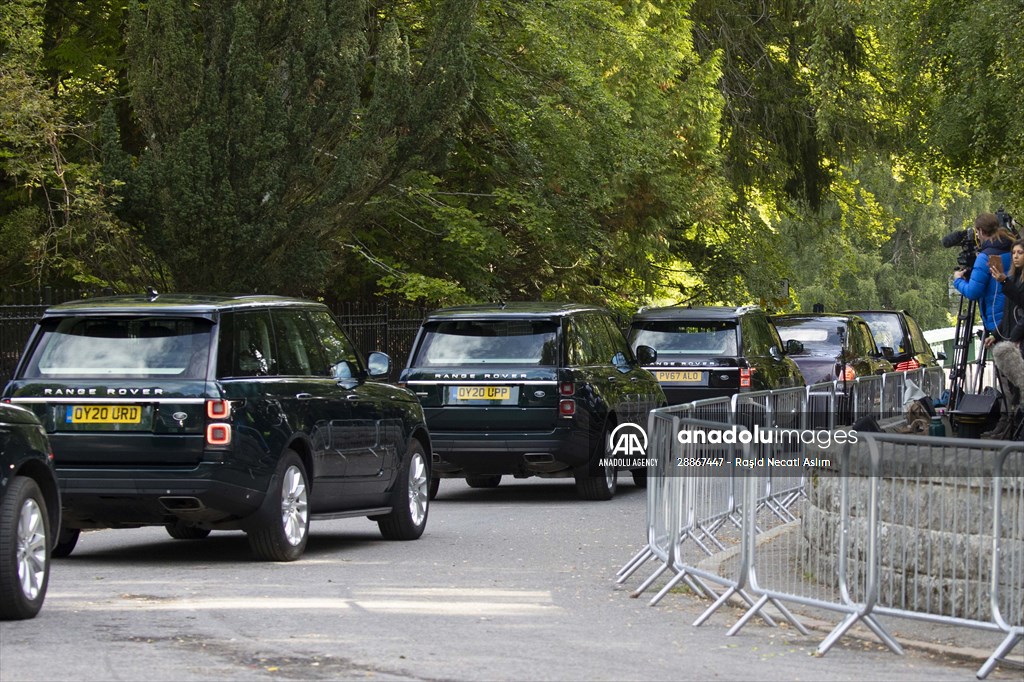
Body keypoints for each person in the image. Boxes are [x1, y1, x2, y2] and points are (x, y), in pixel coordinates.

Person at [983, 238, 1024, 438]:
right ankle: (1010, 428)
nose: (1015, 256)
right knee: (1011, 391)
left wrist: (1013, 339)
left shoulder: (1013, 283)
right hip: (1011, 341)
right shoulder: (1012, 280)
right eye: (1014, 253)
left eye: (1020, 253)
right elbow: (1009, 315)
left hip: (1019, 345)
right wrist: (995, 335)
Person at [952, 212, 1014, 335]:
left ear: (980, 231)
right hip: (1016, 317)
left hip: (998, 323)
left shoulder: (985, 257)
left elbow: (973, 292)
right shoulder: (1014, 249)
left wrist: (958, 280)